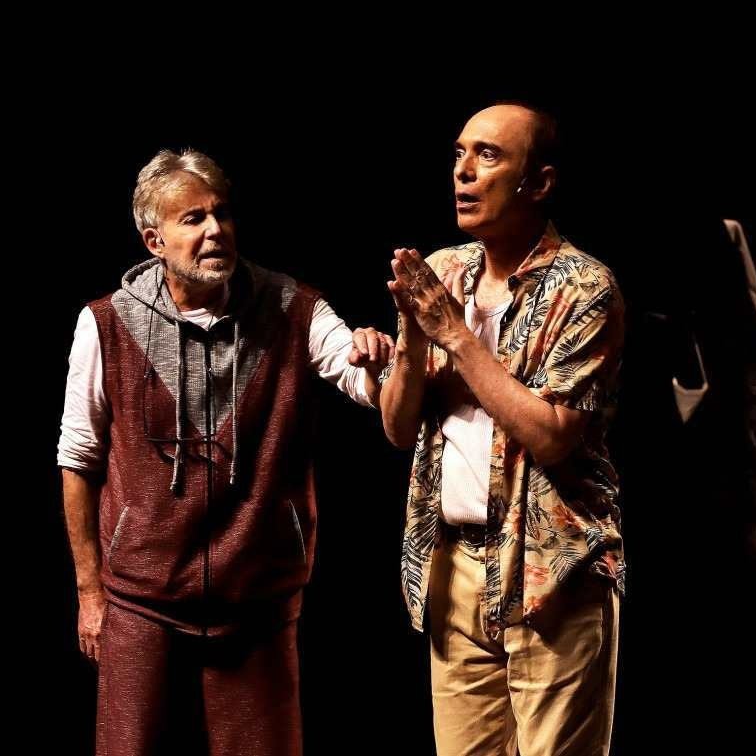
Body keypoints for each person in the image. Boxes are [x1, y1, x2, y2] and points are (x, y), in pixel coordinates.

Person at [59, 149, 393, 755]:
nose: (216, 230)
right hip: (140, 598)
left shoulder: (293, 308)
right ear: (154, 241)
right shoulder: (105, 323)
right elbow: (78, 458)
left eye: (222, 213)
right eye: (194, 219)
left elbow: (363, 383)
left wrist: (374, 361)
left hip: (257, 599)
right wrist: (89, 594)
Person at [380, 103, 625, 755]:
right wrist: (413, 336)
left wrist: (456, 336)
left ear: (538, 182)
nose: (463, 171)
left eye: (487, 155)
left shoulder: (584, 288)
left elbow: (552, 436)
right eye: (459, 154)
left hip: (552, 577)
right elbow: (398, 428)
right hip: (455, 570)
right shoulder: (444, 272)